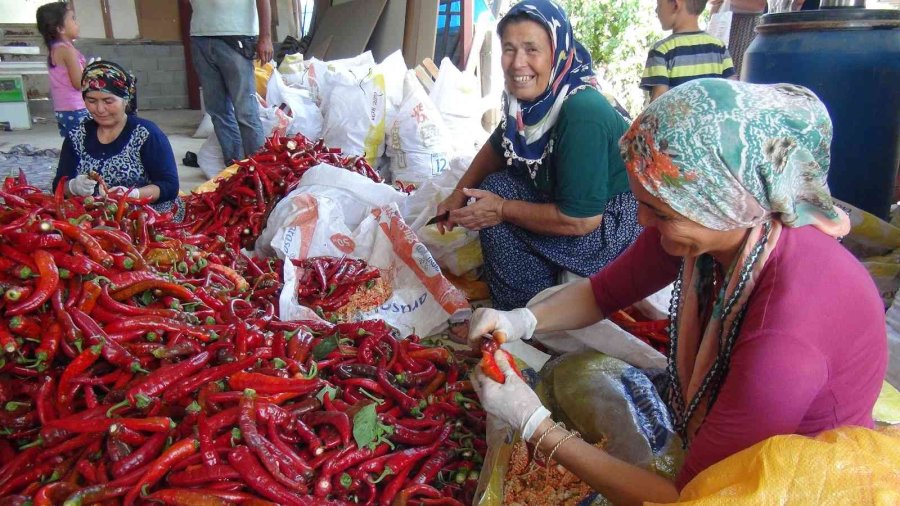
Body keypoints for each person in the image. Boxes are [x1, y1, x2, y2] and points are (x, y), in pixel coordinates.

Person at [469, 79, 887, 505]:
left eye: (660, 212)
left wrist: (535, 423)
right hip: (734, 432)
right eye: (642, 203)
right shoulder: (718, 227)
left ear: (725, 203)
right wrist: (519, 320)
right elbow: (604, 292)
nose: (643, 222)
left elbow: (683, 496)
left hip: (799, 482)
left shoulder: (784, 334)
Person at [436, 0, 642, 310]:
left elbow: (582, 219)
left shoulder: (582, 111)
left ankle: (523, 313)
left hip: (611, 227)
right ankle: (533, 293)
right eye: (509, 48)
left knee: (495, 197)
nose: (518, 63)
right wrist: (456, 195)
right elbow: (499, 143)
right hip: (569, 201)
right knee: (493, 187)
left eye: (532, 50)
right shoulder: (527, 97)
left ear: (558, 52)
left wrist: (502, 210)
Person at [53, 61, 183, 221]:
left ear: (125, 100)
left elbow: (169, 186)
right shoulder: (75, 136)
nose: (100, 109)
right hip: (93, 216)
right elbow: (58, 185)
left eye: (108, 101)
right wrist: (72, 187)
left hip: (145, 216)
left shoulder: (146, 134)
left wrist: (134, 194)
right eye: (92, 101)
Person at [188, 0, 273, 165]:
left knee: (246, 111)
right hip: (201, 37)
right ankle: (235, 168)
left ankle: (260, 170)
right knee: (217, 111)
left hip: (237, 36)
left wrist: (266, 36)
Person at [641, 0, 736, 102]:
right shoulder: (719, 47)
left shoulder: (661, 51)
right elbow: (732, 91)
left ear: (675, 5)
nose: (656, 10)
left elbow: (658, 102)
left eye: (659, 5)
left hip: (677, 118)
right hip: (715, 117)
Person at [36, 1, 89, 138]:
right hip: (76, 108)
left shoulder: (56, 48)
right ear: (60, 28)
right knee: (85, 147)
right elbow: (78, 83)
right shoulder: (66, 50)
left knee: (74, 146)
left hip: (64, 109)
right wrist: (93, 77)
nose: (77, 23)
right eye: (73, 19)